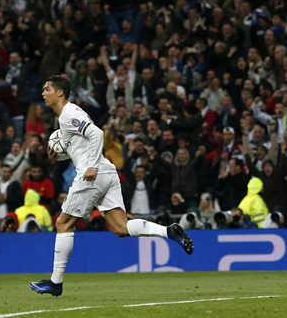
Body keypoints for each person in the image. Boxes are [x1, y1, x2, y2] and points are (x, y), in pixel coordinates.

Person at [29, 75, 193, 297]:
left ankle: (55, 282)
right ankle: (168, 231)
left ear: (60, 92)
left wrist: (93, 167)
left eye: (47, 89)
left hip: (93, 174)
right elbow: (79, 147)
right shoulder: (68, 118)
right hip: (106, 172)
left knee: (63, 224)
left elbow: (97, 133)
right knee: (120, 228)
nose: (43, 93)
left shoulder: (69, 113)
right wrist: (58, 155)